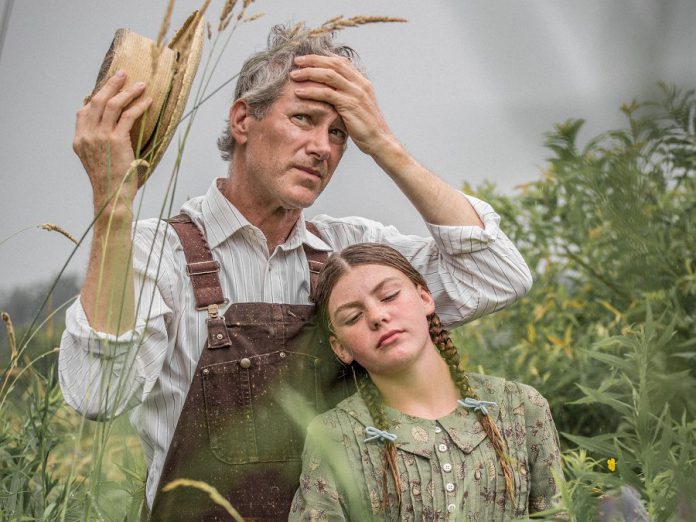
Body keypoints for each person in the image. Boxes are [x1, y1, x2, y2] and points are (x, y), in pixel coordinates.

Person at [59, 23, 533, 520]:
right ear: (243, 119)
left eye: (339, 134)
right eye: (303, 119)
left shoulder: (347, 253)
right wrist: (112, 204)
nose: (322, 148)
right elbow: (99, 393)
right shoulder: (158, 253)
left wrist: (384, 145)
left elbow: (494, 275)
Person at [289, 243, 563, 521]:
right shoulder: (334, 436)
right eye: (353, 317)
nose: (377, 316)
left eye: (389, 296)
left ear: (424, 298)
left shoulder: (521, 407)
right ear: (340, 348)